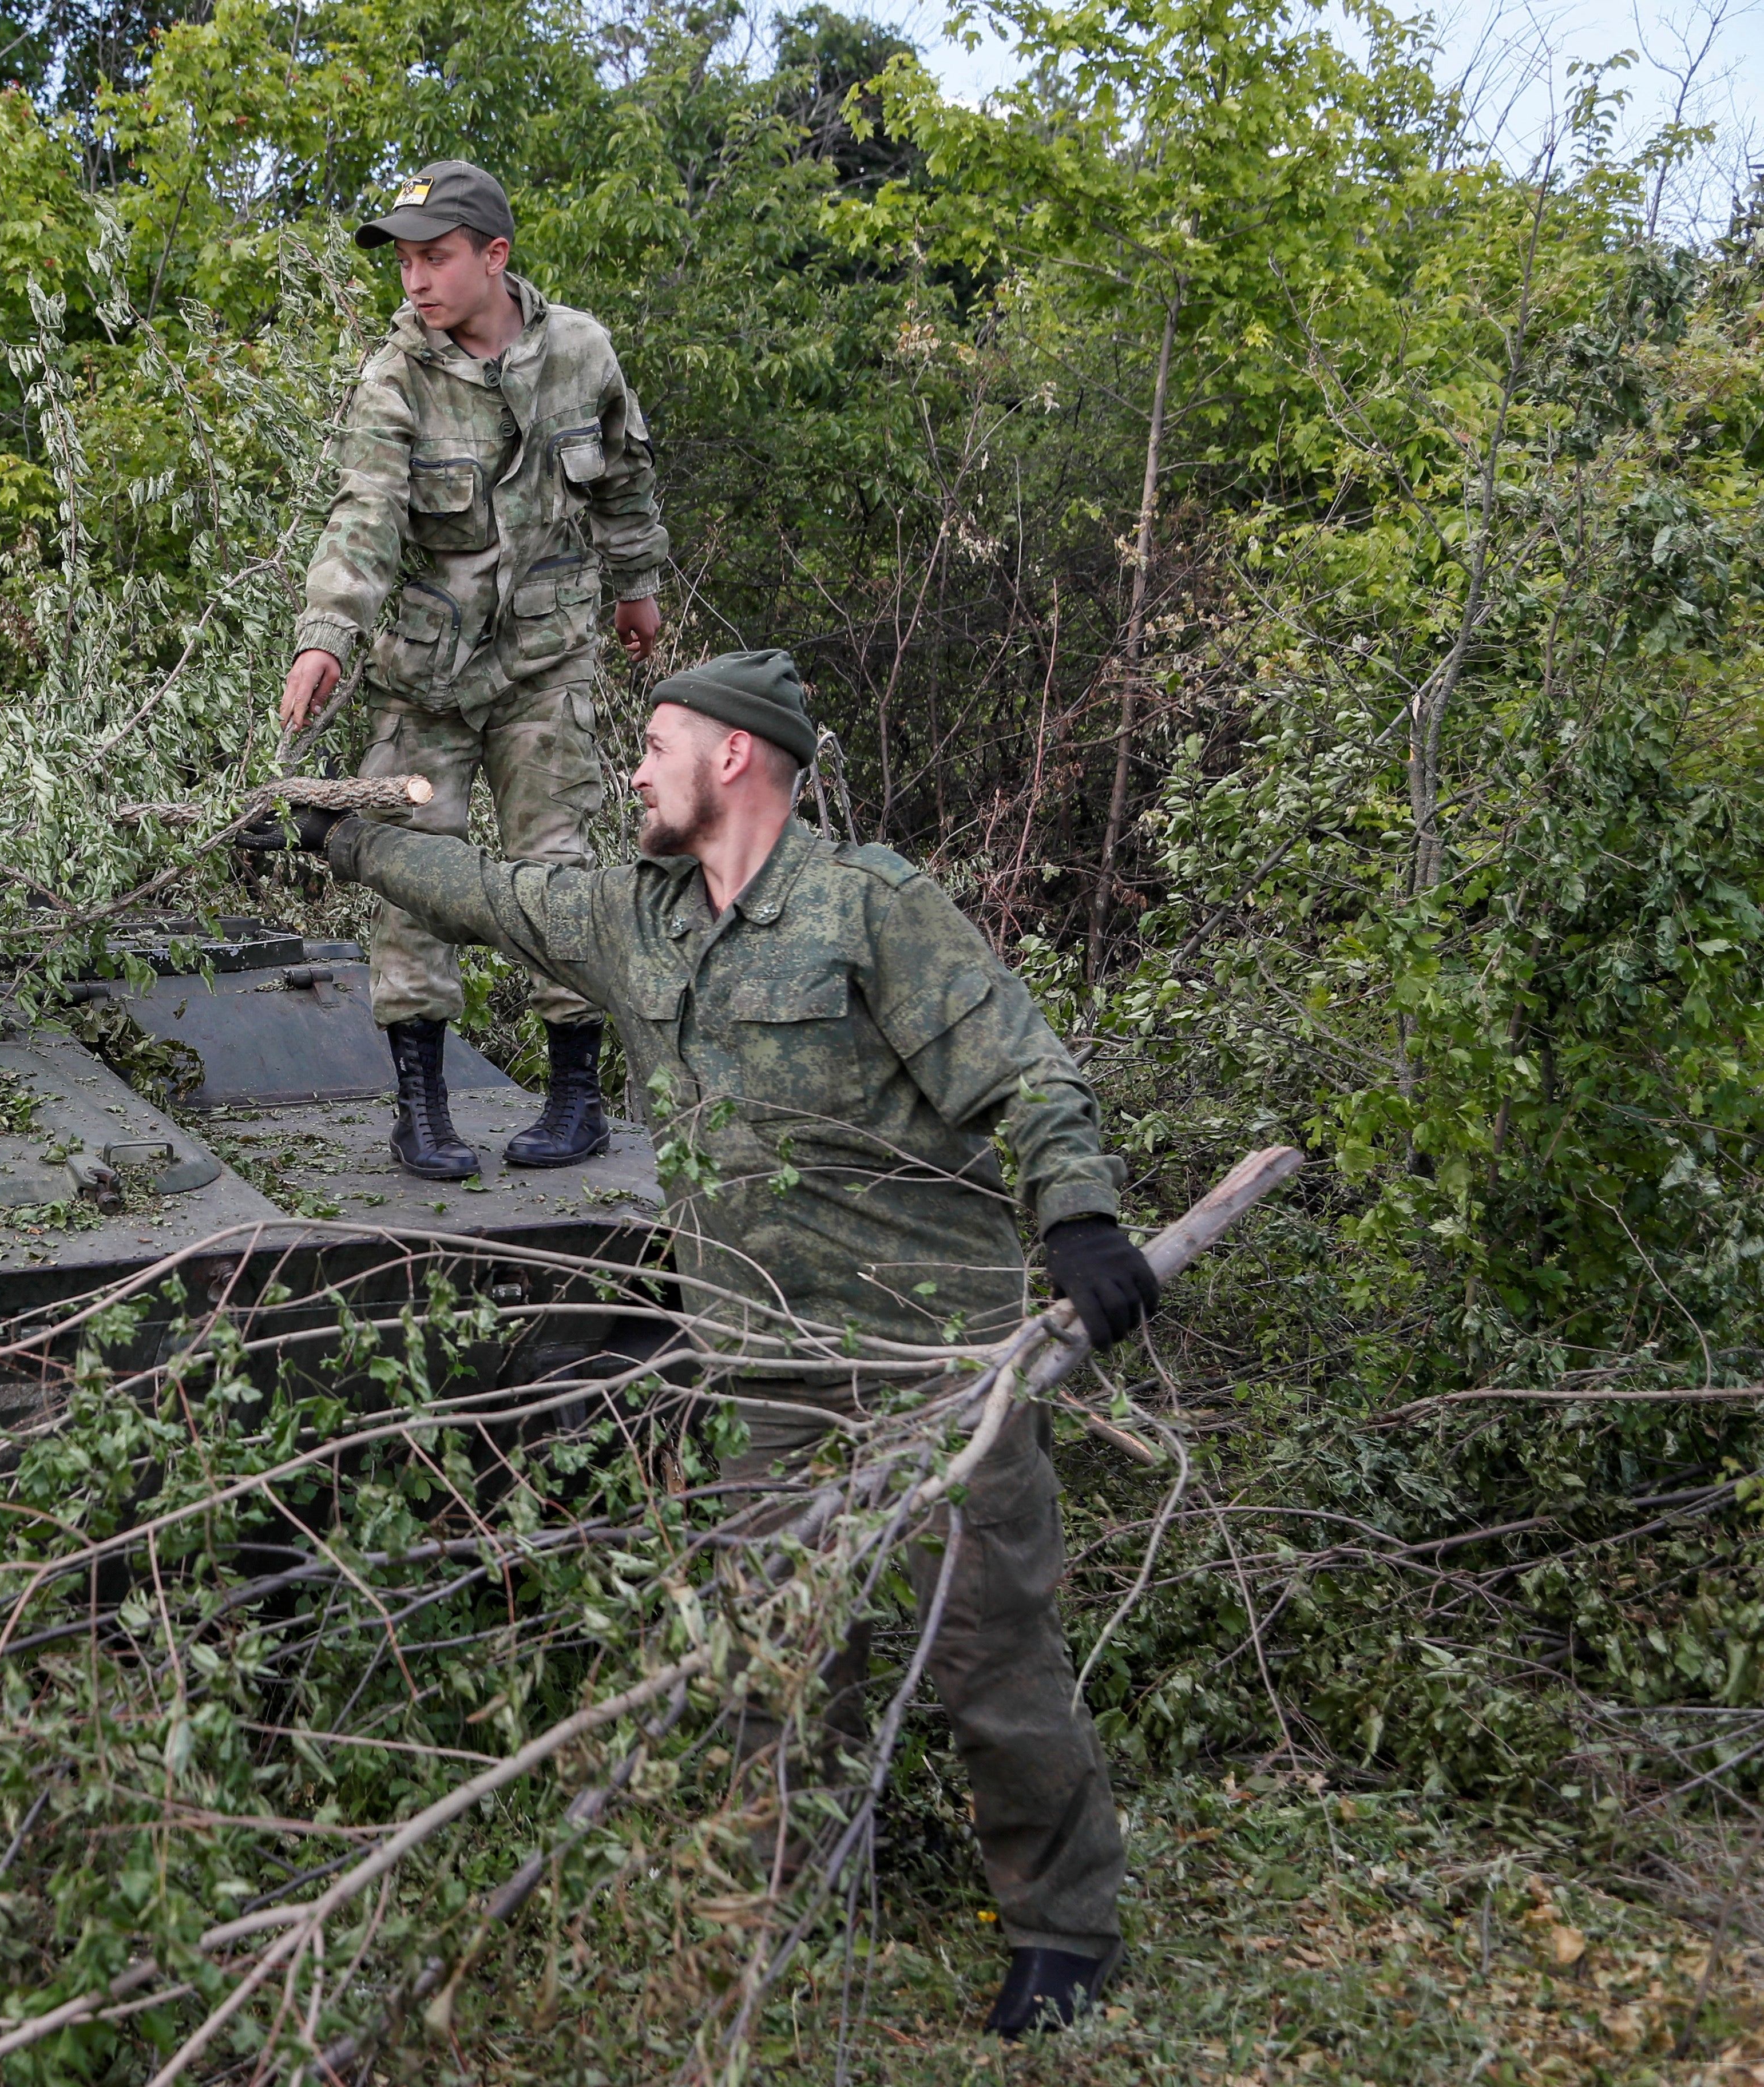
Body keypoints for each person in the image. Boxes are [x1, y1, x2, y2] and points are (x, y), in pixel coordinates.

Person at [244, 649, 1164, 2038]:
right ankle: (771, 1908)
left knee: (991, 1661)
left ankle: (1061, 1931)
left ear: (734, 756)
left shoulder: (871, 908)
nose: (632, 772)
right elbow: (490, 894)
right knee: (775, 1660)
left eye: (655, 744)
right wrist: (345, 839)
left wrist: (1082, 1219)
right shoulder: (636, 917)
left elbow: (1025, 1069)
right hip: (762, 1365)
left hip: (930, 1356)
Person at [282, 158, 668, 1182]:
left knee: (555, 869)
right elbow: (364, 515)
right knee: (414, 877)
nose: (415, 282)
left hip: (547, 662)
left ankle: (575, 1100)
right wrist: (328, 632)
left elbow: (625, 480)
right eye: (405, 262)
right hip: (425, 676)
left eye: (436, 259)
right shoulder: (394, 374)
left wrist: (637, 590)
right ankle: (423, 1110)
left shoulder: (580, 352)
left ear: (494, 257)